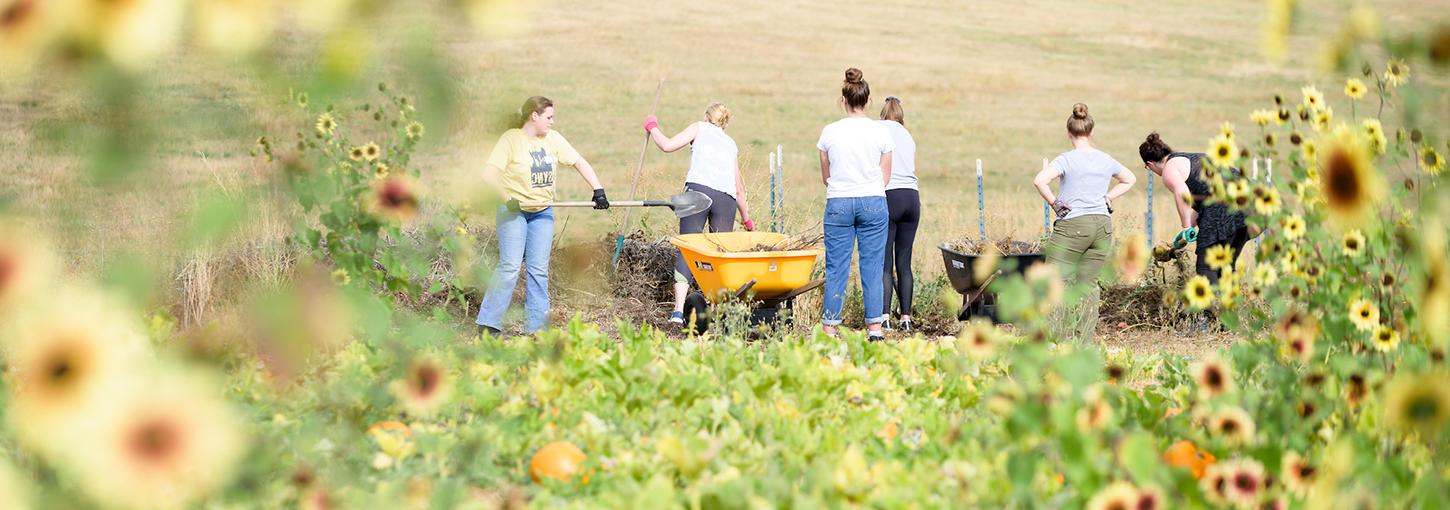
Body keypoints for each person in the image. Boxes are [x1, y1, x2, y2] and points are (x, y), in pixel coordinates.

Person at [476, 96, 609, 336]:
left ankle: (537, 330)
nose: (552, 122)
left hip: (542, 212)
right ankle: (489, 325)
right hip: (513, 211)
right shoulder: (511, 140)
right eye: (549, 117)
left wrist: (598, 190)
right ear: (533, 116)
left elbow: (579, 162)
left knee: (538, 270)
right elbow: (489, 174)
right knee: (510, 266)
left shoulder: (553, 139)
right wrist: (507, 198)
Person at [643, 103, 756, 326]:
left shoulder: (699, 127)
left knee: (687, 248)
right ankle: (718, 311)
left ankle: (677, 312)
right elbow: (739, 188)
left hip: (697, 191)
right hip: (727, 199)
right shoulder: (730, 143)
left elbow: (666, 146)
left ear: (706, 117)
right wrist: (746, 218)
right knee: (719, 255)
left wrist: (652, 126)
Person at [1032, 103, 1136, 343]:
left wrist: (1054, 203)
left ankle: (1055, 340)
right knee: (1088, 286)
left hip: (1073, 226)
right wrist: (1109, 196)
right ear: (1091, 132)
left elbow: (1040, 181)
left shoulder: (1066, 160)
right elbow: (1129, 179)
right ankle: (1083, 342)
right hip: (1102, 225)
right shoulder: (1105, 159)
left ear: (1069, 133)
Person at [1138, 132, 1250, 330]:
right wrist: (1177, 242)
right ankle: (1230, 321)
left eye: (1148, 168)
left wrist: (1186, 227)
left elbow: (1181, 193)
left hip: (1221, 206)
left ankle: (1204, 321)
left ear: (1150, 164)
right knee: (1226, 264)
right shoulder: (1191, 159)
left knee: (1206, 265)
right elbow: (1200, 210)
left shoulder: (1170, 169)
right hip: (1247, 201)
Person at [817, 68, 893, 340]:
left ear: (844, 100)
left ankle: (829, 327)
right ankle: (874, 328)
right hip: (873, 199)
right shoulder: (881, 132)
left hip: (838, 200)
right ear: (868, 101)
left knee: (837, 266)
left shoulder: (829, 132)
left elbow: (826, 175)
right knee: (872, 265)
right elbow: (885, 176)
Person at [876, 96, 919, 332]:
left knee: (885, 262)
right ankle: (906, 318)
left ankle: (884, 316)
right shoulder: (908, 135)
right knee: (904, 262)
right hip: (912, 197)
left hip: (889, 195)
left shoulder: (877, 128)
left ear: (883, 114)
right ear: (901, 116)